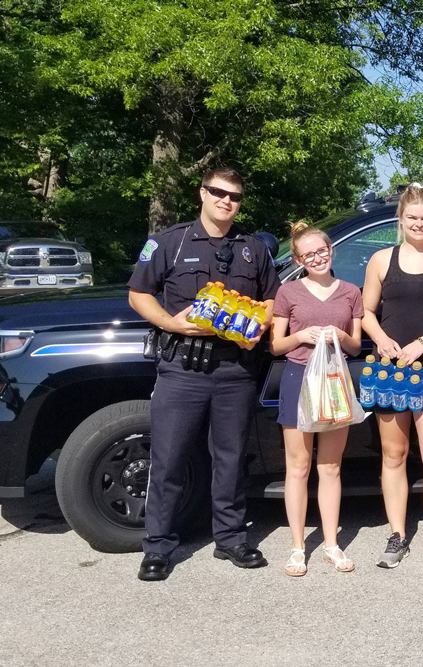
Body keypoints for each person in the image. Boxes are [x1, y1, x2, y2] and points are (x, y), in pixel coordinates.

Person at [128, 167, 280, 581]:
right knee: (169, 460)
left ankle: (230, 538)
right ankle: (157, 546)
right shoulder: (170, 242)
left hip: (235, 369)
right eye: (218, 192)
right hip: (183, 369)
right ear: (202, 193)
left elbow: (271, 299)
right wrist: (171, 323)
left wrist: (258, 328)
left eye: (234, 195)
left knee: (230, 460)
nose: (226, 200)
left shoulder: (253, 248)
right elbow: (138, 293)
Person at [361, 182, 423, 579]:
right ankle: (396, 535)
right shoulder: (381, 260)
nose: (419, 224)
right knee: (394, 456)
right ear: (399, 220)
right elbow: (367, 310)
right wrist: (382, 339)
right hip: (391, 369)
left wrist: (422, 343)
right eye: (412, 218)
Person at [270, 221, 363, 577]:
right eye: (309, 254)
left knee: (331, 467)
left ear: (331, 251)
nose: (317, 258)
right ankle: (297, 547)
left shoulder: (350, 292)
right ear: (298, 259)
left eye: (322, 251)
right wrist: (301, 336)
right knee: (298, 466)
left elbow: (355, 344)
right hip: (297, 380)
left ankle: (330, 544)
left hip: (335, 380)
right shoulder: (288, 293)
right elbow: (276, 345)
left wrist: (339, 333)